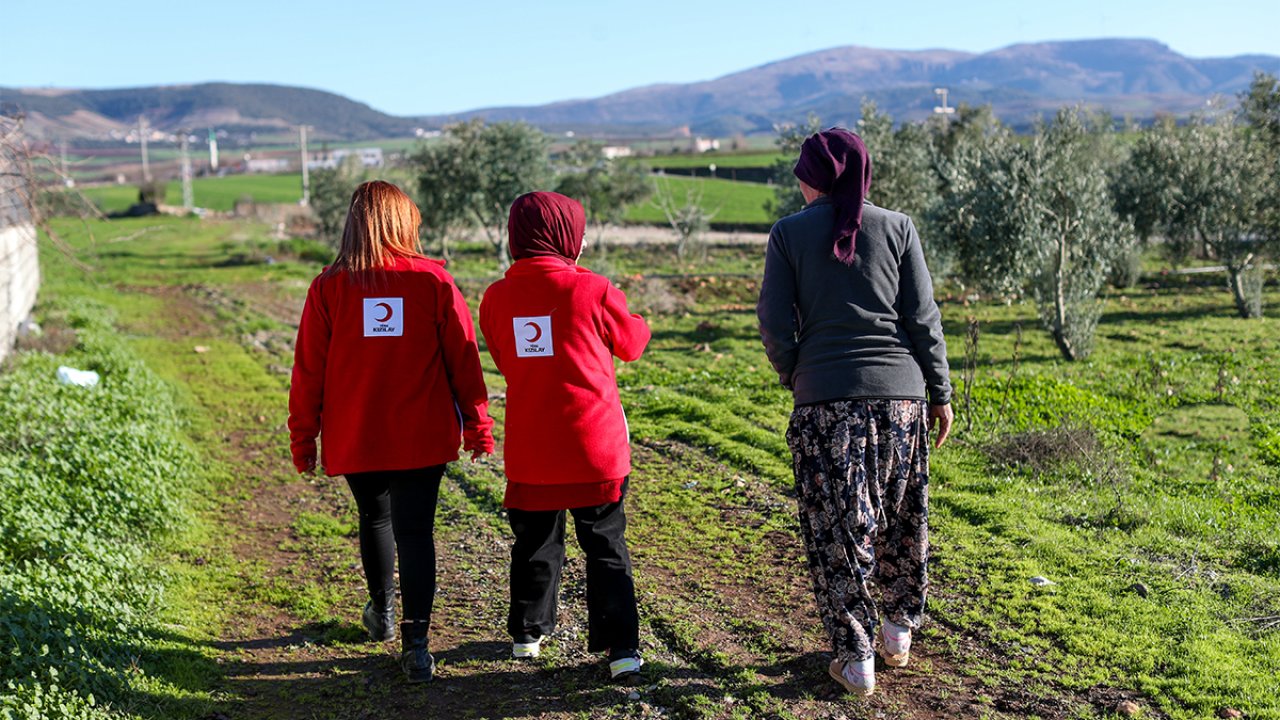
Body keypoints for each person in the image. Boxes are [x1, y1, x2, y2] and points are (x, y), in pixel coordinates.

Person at [756, 128, 953, 697]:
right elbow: (922, 317)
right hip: (902, 401)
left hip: (825, 404)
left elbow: (773, 321)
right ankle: (897, 633)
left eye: (801, 171)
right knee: (902, 515)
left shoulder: (788, 234)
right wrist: (939, 392)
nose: (797, 181)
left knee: (838, 528)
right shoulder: (898, 227)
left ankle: (856, 656)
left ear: (815, 177)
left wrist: (796, 370)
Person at [288, 180, 494, 683]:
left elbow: (307, 370)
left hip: (357, 434)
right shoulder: (433, 283)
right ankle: (417, 645)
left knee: (375, 519)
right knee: (415, 532)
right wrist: (477, 426)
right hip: (422, 436)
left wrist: (304, 437)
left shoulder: (329, 287)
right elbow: (464, 361)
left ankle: (381, 613)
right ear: (403, 223)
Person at [479, 191, 651, 684]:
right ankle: (621, 651)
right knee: (605, 546)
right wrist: (638, 320)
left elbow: (506, 358)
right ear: (566, 235)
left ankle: (527, 636)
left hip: (533, 448)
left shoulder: (495, 297)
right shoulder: (593, 288)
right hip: (593, 449)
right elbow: (632, 345)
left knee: (533, 542)